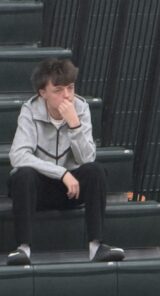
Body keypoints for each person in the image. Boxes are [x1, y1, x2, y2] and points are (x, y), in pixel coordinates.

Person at [7, 58, 124, 266]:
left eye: (70, 88)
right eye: (58, 90)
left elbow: (87, 159)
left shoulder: (80, 107)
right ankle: (23, 249)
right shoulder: (30, 110)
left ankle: (96, 246)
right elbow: (18, 155)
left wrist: (74, 125)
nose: (67, 95)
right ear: (42, 93)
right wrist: (61, 173)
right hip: (39, 189)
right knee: (23, 175)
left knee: (96, 171)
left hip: (72, 190)